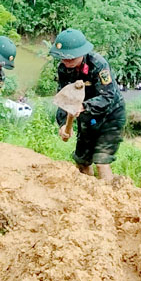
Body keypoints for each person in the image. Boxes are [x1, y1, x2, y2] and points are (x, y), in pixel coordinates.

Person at [51, 29, 126, 180]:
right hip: (87, 118)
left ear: (81, 53)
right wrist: (63, 125)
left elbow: (107, 96)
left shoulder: (98, 64)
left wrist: (83, 106)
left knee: (101, 161)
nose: (66, 62)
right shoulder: (63, 69)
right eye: (62, 58)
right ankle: (88, 196)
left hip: (110, 115)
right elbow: (64, 98)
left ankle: (106, 198)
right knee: (82, 160)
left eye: (70, 58)